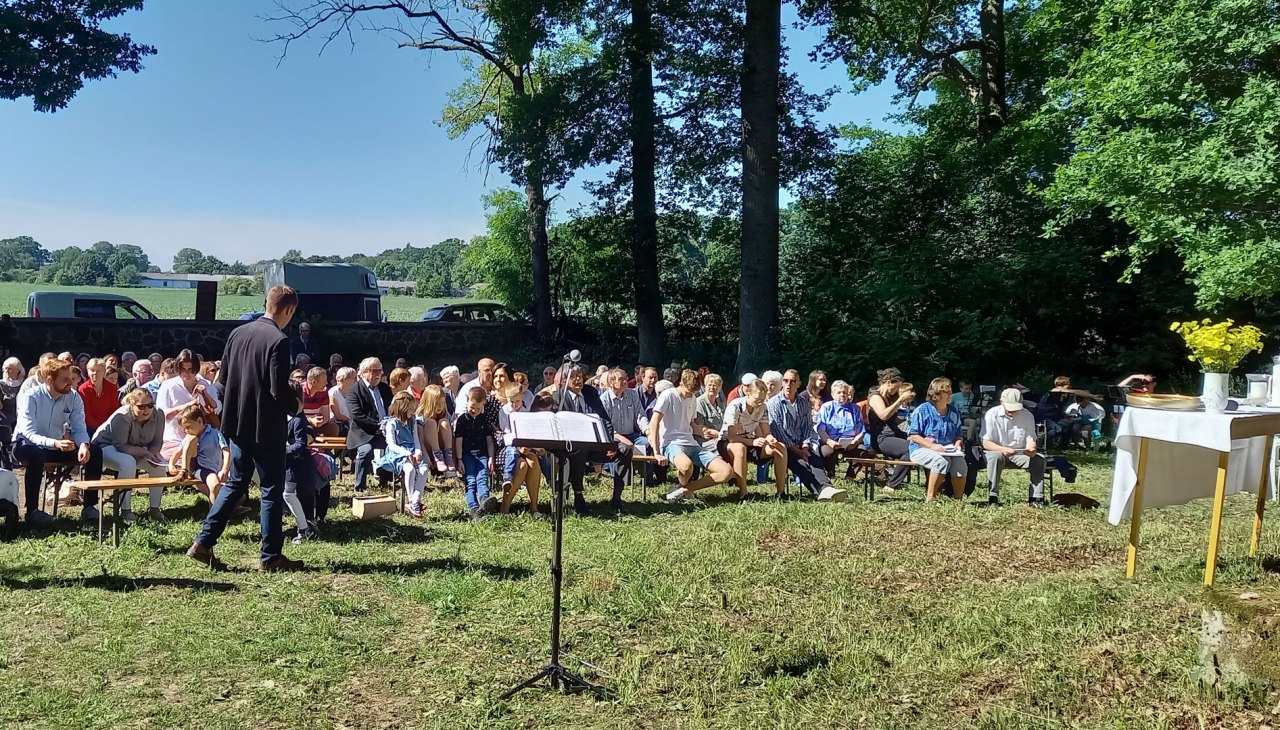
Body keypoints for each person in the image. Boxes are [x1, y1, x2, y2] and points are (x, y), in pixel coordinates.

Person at [188, 285, 303, 572]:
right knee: (271, 489)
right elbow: (278, 390)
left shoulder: (237, 333)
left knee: (237, 482)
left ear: (267, 303)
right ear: (288, 310)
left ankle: (203, 541)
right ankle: (270, 556)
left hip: (236, 424)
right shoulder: (278, 340)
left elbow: (222, 383)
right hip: (266, 427)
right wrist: (297, 406)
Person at [15, 358, 105, 525]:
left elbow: (79, 427)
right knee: (36, 454)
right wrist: (55, 443)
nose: (70, 383)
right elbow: (29, 433)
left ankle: (89, 507)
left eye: (71, 378)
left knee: (95, 451)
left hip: (58, 444)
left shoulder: (73, 397)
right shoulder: (31, 397)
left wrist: (83, 445)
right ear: (49, 380)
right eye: (64, 380)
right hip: (27, 444)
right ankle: (32, 511)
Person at [651, 369, 734, 504]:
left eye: (694, 392)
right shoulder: (668, 395)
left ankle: (683, 490)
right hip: (671, 443)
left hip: (692, 443)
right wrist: (657, 452)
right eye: (689, 392)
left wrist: (702, 433)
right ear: (681, 384)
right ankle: (683, 491)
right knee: (686, 466)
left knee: (726, 471)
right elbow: (654, 422)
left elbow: (691, 422)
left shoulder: (693, 397)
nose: (691, 395)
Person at [766, 369, 846, 501]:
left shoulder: (803, 402)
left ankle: (827, 487)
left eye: (792, 381)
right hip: (785, 446)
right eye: (786, 381)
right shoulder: (774, 404)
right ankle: (818, 490)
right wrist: (796, 450)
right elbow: (777, 430)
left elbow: (808, 426)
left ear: (798, 384)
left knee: (814, 458)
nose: (788, 384)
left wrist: (804, 445)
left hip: (801, 443)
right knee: (799, 463)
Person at [93, 388, 169, 522]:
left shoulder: (158, 415)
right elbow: (120, 445)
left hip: (137, 449)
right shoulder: (122, 417)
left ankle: (155, 509)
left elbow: (157, 442)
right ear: (132, 405)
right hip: (105, 447)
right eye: (141, 407)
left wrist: (154, 454)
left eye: (150, 405)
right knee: (128, 463)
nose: (146, 410)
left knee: (159, 465)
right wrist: (146, 453)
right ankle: (126, 510)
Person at [550, 364, 616, 513]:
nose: (578, 380)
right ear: (565, 380)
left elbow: (604, 419)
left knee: (623, 450)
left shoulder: (591, 393)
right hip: (571, 445)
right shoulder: (559, 397)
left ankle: (617, 499)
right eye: (573, 377)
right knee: (580, 450)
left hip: (595, 442)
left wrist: (610, 442)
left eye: (580, 376)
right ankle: (578, 496)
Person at [980, 388, 1047, 508]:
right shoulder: (991, 414)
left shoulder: (1027, 415)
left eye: (1016, 408)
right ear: (1001, 403)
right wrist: (1002, 449)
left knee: (1039, 460)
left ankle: (1036, 498)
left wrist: (1031, 448)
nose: (1013, 411)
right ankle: (993, 497)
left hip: (1019, 453)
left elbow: (1031, 438)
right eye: (1010, 408)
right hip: (996, 451)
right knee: (996, 457)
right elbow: (985, 442)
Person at [722, 379, 788, 498]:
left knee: (780, 447)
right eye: (757, 400)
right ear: (748, 393)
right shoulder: (735, 406)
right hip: (728, 441)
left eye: (762, 400)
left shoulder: (763, 407)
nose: (759, 403)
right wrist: (753, 441)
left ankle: (781, 492)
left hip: (750, 439)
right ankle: (743, 493)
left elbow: (766, 432)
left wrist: (770, 438)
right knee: (740, 449)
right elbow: (732, 437)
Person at [907, 378, 966, 502]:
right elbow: (913, 435)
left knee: (961, 464)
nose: (950, 394)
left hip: (948, 450)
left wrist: (958, 443)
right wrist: (931, 446)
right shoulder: (922, 410)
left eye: (950, 391)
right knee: (941, 462)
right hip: (921, 449)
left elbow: (959, 434)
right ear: (936, 395)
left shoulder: (954, 412)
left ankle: (958, 500)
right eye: (947, 392)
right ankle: (931, 497)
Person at [157, 349, 220, 460]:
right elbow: (162, 415)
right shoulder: (168, 385)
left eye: (190, 369)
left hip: (202, 440)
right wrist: (188, 406)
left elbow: (217, 408)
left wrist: (206, 398)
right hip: (175, 440)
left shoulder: (206, 384)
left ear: (196, 369)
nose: (186, 373)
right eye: (183, 369)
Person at [600, 367, 648, 512]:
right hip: (612, 437)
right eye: (621, 379)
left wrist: (648, 430)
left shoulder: (632, 395)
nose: (625, 381)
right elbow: (604, 426)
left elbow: (640, 415)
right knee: (624, 449)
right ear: (611, 382)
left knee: (647, 443)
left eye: (625, 378)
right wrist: (620, 437)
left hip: (631, 434)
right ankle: (619, 493)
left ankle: (647, 480)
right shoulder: (604, 400)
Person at [377, 391, 430, 518]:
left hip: (411, 451)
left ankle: (415, 500)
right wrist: (407, 454)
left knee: (424, 469)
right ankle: (412, 499)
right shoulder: (392, 423)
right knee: (409, 469)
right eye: (411, 408)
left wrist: (418, 452)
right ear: (402, 408)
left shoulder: (412, 422)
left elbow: (416, 439)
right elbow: (392, 444)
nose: (413, 410)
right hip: (398, 454)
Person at [347, 357, 393, 495]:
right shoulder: (354, 390)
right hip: (364, 432)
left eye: (380, 370)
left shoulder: (385, 389)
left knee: (396, 449)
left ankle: (386, 480)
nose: (379, 374)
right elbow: (356, 415)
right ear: (365, 372)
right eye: (375, 371)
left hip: (386, 431)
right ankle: (359, 487)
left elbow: (392, 408)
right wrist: (377, 426)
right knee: (365, 452)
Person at [497, 382, 544, 517]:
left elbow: (528, 431)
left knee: (534, 461)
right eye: (512, 401)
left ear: (522, 398)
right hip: (508, 446)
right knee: (522, 465)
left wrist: (528, 446)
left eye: (517, 401)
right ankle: (505, 507)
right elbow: (505, 432)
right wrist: (519, 447)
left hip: (524, 445)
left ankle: (534, 507)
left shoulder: (525, 411)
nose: (515, 404)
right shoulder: (504, 411)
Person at [169, 404, 231, 504]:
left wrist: (224, 469)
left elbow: (226, 451)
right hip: (198, 467)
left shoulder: (215, 433)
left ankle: (221, 509)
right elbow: (177, 452)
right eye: (184, 428)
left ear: (199, 421)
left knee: (226, 493)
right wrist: (171, 464)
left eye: (188, 427)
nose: (186, 431)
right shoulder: (189, 437)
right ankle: (184, 470)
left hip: (214, 468)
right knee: (214, 484)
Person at [867, 368, 915, 493]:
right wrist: (900, 401)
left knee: (921, 444)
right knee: (910, 449)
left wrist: (913, 431)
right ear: (888, 382)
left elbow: (896, 421)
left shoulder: (889, 398)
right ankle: (891, 485)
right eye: (895, 387)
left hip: (894, 435)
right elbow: (883, 415)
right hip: (881, 439)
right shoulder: (875, 397)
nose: (895, 391)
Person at [454, 387, 497, 521]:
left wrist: (491, 457)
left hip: (482, 454)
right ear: (467, 401)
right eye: (473, 407)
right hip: (467, 455)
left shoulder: (483, 419)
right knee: (471, 480)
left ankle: (485, 502)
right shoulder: (462, 420)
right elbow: (458, 441)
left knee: (482, 477)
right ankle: (473, 508)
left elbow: (489, 440)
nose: (475, 411)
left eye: (479, 408)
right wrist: (459, 459)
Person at [284, 383, 319, 542]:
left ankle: (304, 528)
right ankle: (304, 526)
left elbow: (300, 444)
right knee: (288, 494)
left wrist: (282, 451)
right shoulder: (288, 417)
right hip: (290, 464)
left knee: (289, 494)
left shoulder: (298, 420)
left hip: (298, 464)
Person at [813, 380, 867, 476]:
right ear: (833, 394)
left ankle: (851, 475)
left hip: (851, 442)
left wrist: (856, 441)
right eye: (839, 392)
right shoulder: (826, 407)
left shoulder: (855, 409)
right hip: (831, 440)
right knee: (826, 453)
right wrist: (829, 441)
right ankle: (830, 474)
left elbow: (861, 429)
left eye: (844, 392)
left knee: (863, 452)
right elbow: (820, 428)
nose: (842, 395)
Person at [416, 384, 457, 478]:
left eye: (442, 403)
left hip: (442, 446)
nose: (440, 406)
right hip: (428, 449)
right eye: (437, 404)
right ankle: (438, 457)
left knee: (444, 423)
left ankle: (448, 456)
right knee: (431, 423)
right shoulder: (420, 416)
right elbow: (420, 440)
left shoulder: (445, 415)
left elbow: (451, 436)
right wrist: (426, 457)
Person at [78, 358, 119, 435]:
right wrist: (99, 429)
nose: (95, 373)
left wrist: (107, 426)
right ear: (87, 372)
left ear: (104, 372)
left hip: (109, 426)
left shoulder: (112, 387)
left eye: (98, 371)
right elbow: (86, 414)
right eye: (92, 370)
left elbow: (114, 409)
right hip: (90, 428)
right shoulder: (83, 389)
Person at [302, 367, 338, 437]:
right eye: (324, 380)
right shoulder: (300, 390)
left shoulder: (324, 391)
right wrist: (311, 420)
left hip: (317, 424)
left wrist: (320, 423)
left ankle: (329, 448)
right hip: (302, 424)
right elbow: (295, 416)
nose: (327, 383)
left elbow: (326, 416)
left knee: (333, 427)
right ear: (314, 382)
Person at [328, 366, 356, 434]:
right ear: (344, 379)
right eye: (353, 378)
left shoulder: (354, 392)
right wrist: (353, 420)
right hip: (339, 424)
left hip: (351, 422)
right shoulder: (333, 392)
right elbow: (337, 415)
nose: (356, 380)